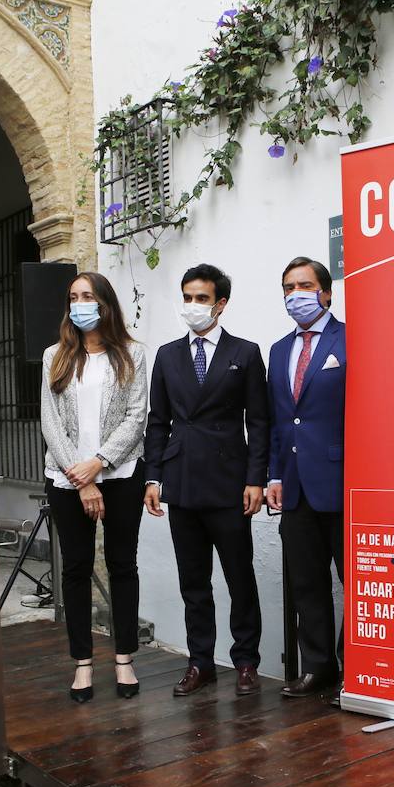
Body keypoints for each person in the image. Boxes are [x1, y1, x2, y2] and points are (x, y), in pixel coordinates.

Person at [144, 264, 269, 697]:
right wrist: (153, 478)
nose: (192, 306)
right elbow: (157, 422)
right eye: (187, 297)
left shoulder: (245, 353)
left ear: (220, 303)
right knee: (193, 580)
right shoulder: (167, 355)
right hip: (182, 482)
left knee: (239, 577)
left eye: (201, 298)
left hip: (230, 482)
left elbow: (260, 421)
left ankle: (246, 662)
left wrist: (256, 478)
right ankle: (200, 662)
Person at [39, 271, 148, 703]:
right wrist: (80, 476)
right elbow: (49, 421)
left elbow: (136, 417)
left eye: (87, 296)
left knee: (123, 566)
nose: (79, 303)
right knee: (76, 568)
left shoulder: (133, 354)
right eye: (73, 297)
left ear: (105, 303)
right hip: (67, 479)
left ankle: (124, 658)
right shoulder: (55, 356)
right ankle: (82, 663)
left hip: (120, 475)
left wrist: (99, 464)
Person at [265, 256, 346, 697]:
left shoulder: (350, 339)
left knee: (354, 580)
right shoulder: (279, 350)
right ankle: (318, 667)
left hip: (340, 482)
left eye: (304, 285)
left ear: (326, 292)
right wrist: (274, 474)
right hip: (294, 488)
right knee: (307, 583)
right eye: (287, 287)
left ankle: (353, 667)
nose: (295, 294)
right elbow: (280, 421)